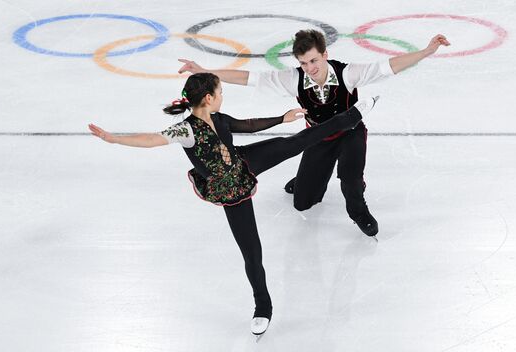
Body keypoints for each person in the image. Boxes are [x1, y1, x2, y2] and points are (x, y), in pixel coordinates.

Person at [88, 72, 379, 335]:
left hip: (244, 161)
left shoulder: (220, 118)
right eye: (220, 92)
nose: (222, 97)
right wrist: (115, 139)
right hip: (229, 188)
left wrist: (281, 119)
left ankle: (352, 116)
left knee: (293, 143)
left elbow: (248, 126)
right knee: (252, 251)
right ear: (208, 98)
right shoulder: (185, 130)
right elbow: (152, 139)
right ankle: (263, 306)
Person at [178, 30, 450, 237]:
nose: (310, 68)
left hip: (350, 134)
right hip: (317, 139)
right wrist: (204, 71)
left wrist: (427, 51)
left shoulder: (348, 73)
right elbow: (248, 78)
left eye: (314, 60)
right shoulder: (293, 79)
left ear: (325, 55)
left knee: (350, 182)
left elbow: (389, 66)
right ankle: (307, 177)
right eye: (304, 63)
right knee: (302, 203)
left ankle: (358, 210)